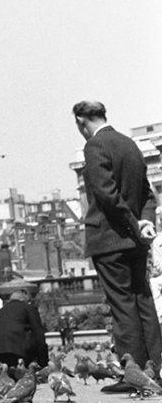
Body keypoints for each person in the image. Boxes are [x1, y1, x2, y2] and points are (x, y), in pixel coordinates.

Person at [72, 100, 162, 384]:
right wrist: (144, 222)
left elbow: (106, 194)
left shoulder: (95, 146)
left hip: (109, 240)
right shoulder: (129, 144)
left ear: (81, 122)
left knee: (122, 305)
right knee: (143, 301)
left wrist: (135, 224)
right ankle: (153, 369)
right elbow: (148, 194)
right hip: (135, 241)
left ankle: (132, 374)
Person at [0, 287, 49, 369]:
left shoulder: (0, 311)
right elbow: (38, 333)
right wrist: (43, 361)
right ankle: (31, 365)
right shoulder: (28, 308)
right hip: (20, 350)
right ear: (24, 300)